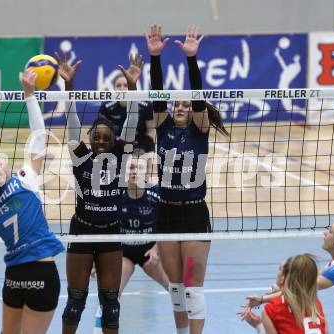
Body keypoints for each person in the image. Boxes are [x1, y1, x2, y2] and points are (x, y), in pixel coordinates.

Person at [0, 69, 65, 334]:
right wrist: (30, 96)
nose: (3, 159)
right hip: (42, 274)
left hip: (14, 278)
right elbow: (39, 137)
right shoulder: (23, 182)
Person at [145, 24, 228, 334]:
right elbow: (156, 98)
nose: (179, 107)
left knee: (193, 285)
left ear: (192, 110)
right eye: (175, 104)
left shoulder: (200, 129)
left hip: (194, 214)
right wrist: (156, 58)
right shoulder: (163, 127)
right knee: (177, 286)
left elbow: (197, 98)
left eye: (184, 104)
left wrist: (191, 60)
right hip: (166, 214)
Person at [57, 51, 142, 334]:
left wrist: (132, 90)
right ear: (90, 139)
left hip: (111, 233)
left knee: (111, 303)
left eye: (107, 137)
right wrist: (69, 89)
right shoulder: (80, 157)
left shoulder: (122, 156)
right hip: (82, 231)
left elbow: (132, 121)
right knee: (75, 302)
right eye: (97, 137)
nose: (102, 141)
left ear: (115, 140)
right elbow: (71, 125)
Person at [93, 149, 189, 333]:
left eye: (139, 167)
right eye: (131, 167)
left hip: (150, 251)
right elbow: (103, 229)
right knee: (109, 296)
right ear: (124, 171)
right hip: (123, 253)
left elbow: (169, 226)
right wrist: (98, 261)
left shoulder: (157, 195)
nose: (135, 171)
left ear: (146, 172)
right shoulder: (114, 195)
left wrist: (157, 247)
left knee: (178, 291)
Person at [241, 221, 334, 317]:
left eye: (330, 231)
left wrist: (262, 299)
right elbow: (304, 280)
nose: (325, 232)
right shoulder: (333, 265)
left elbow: (300, 288)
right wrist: (283, 288)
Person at [262, 254, 327, 334]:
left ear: (283, 278)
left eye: (279, 269)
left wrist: (258, 325)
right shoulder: (316, 304)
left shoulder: (272, 309)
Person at [99, 74, 155, 152]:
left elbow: (151, 131)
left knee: (149, 161)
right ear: (114, 88)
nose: (122, 89)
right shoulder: (106, 106)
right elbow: (101, 132)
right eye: (118, 85)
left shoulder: (146, 105)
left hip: (141, 145)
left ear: (132, 87)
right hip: (116, 147)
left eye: (126, 85)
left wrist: (141, 149)